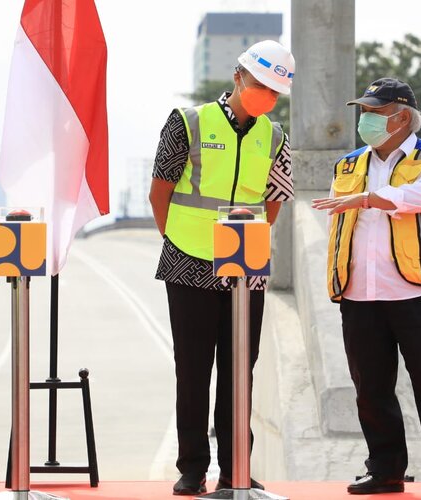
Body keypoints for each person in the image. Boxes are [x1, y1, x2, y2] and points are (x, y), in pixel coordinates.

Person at [148, 40, 295, 496]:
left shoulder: (274, 137)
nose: (265, 96)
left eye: (274, 91)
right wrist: (177, 239)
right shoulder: (187, 122)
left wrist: (247, 245)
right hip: (189, 259)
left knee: (240, 369)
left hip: (245, 267)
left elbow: (274, 204)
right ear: (237, 77)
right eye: (259, 85)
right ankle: (192, 468)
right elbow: (160, 191)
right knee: (193, 368)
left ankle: (236, 469)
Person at [312, 78, 421, 495]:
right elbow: (335, 215)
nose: (366, 120)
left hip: (416, 290)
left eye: (375, 113)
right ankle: (385, 469)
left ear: (402, 117)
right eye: (364, 112)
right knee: (371, 388)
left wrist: (367, 200)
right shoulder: (349, 164)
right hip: (360, 291)